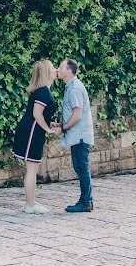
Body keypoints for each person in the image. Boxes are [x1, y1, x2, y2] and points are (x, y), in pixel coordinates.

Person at [11, 60, 58, 214]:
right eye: (52, 68)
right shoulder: (43, 91)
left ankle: (31, 202)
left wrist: (49, 125)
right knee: (32, 168)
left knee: (32, 168)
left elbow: (41, 114)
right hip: (32, 131)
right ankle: (30, 205)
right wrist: (48, 129)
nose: (55, 70)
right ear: (46, 73)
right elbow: (37, 115)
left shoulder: (42, 90)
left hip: (33, 130)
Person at [52, 58, 95, 212]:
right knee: (80, 167)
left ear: (69, 71)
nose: (58, 69)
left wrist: (63, 128)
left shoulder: (75, 88)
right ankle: (87, 200)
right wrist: (61, 124)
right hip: (77, 135)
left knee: (82, 167)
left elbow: (77, 115)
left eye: (61, 67)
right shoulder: (71, 87)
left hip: (80, 135)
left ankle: (86, 202)